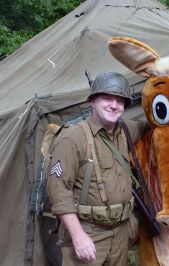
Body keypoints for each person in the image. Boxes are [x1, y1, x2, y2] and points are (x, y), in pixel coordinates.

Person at [47, 71, 148, 266]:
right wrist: (78, 236)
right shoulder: (73, 138)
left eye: (120, 101)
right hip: (89, 232)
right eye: (107, 98)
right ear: (92, 102)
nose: (114, 105)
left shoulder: (126, 131)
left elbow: (153, 125)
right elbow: (59, 192)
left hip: (122, 232)